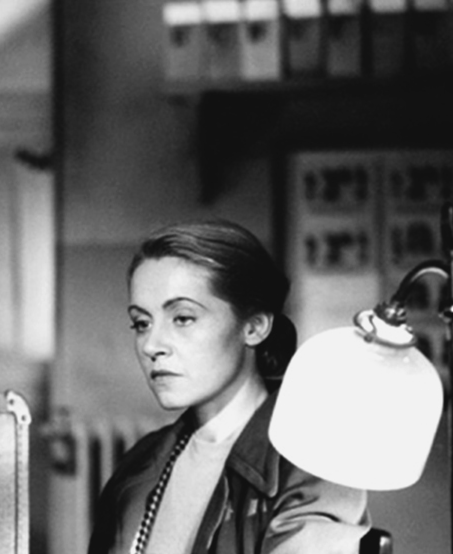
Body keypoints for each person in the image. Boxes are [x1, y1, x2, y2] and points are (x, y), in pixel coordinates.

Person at [88, 220, 370, 554]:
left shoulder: (313, 459)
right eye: (141, 323)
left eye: (183, 318)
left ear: (254, 327)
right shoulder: (139, 464)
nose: (151, 345)